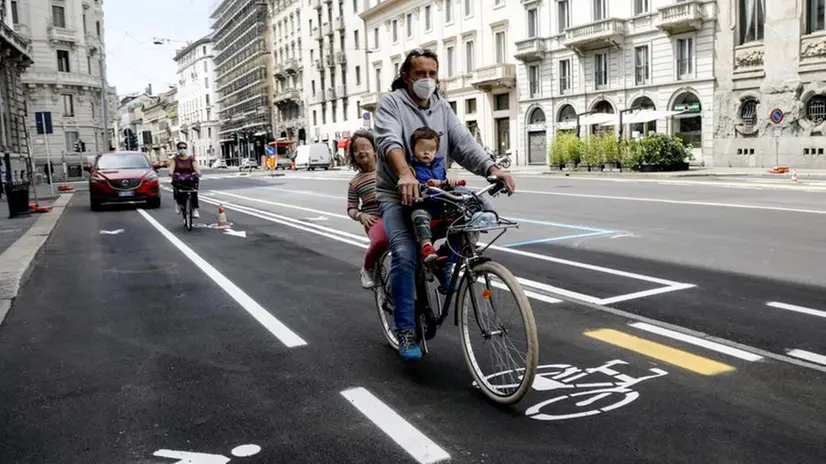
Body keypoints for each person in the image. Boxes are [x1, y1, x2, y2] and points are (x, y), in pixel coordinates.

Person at [374, 48, 516, 361]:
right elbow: (388, 141)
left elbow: (464, 144)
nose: (427, 79)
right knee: (404, 254)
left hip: (433, 191)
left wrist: (493, 169)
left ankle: (446, 265)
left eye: (431, 74)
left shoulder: (441, 106)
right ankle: (406, 328)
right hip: (398, 194)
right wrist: (404, 174)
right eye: (420, 74)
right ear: (406, 77)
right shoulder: (391, 104)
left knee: (468, 220)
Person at [406, 127, 459, 263]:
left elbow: (444, 185)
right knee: (420, 216)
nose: (426, 152)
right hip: (423, 206)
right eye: (422, 148)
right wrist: (426, 184)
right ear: (413, 149)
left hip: (441, 209)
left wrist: (448, 183)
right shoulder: (410, 168)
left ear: (436, 150)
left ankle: (456, 249)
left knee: (462, 220)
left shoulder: (439, 167)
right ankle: (427, 246)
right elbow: (413, 186)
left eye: (431, 149)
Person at [345, 130, 387, 289]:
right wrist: (361, 216)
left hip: (394, 213)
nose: (361, 151)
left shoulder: (388, 171)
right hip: (374, 219)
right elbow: (351, 208)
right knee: (380, 241)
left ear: (375, 150)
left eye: (365, 147)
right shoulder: (355, 182)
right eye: (356, 149)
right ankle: (367, 268)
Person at [168, 141, 201, 218]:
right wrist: (171, 172)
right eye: (181, 148)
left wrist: (198, 172)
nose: (182, 149)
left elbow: (196, 167)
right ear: (178, 149)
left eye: (184, 148)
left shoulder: (191, 159)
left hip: (190, 178)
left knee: (194, 191)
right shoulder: (175, 159)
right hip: (179, 178)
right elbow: (172, 168)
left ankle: (195, 209)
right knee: (176, 186)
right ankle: (178, 203)